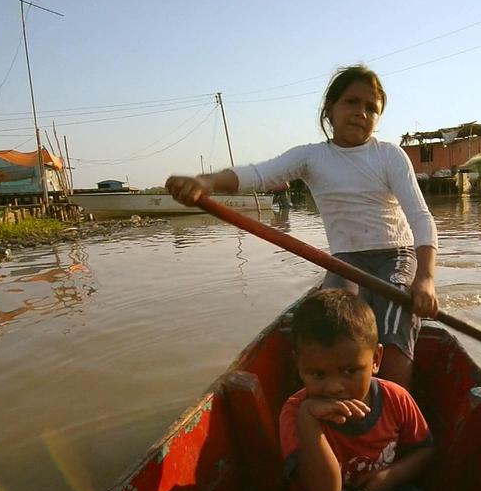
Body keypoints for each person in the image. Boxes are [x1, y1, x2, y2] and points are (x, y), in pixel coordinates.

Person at [166, 64, 438, 387]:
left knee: (395, 308)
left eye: (371, 108)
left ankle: (396, 410)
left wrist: (425, 279)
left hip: (395, 255)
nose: (361, 113)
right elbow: (259, 174)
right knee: (333, 326)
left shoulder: (389, 156)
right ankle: (334, 403)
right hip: (345, 262)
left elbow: (421, 218)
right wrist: (204, 181)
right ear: (330, 109)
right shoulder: (312, 158)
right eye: (351, 102)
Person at [279, 289, 442, 491]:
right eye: (318, 375)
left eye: (350, 371)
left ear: (376, 359)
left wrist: (390, 476)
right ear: (299, 366)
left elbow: (424, 450)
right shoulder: (295, 413)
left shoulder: (395, 397)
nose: (334, 388)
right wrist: (309, 419)